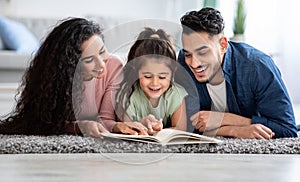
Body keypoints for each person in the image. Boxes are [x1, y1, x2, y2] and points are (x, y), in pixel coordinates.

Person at [0, 17, 147, 137]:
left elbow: (106, 118)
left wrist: (118, 126)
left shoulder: (114, 66)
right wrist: (79, 126)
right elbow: (42, 122)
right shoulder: (59, 79)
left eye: (102, 51)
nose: (101, 64)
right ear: (71, 65)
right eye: (89, 60)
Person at [177, 7, 298, 139]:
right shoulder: (183, 61)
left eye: (203, 52)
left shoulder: (257, 66)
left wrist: (225, 119)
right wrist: (234, 131)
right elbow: (186, 125)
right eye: (188, 54)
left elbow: (287, 129)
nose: (194, 63)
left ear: (223, 45)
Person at [115, 27, 188, 135]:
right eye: (148, 76)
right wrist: (142, 126)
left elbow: (180, 129)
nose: (154, 83)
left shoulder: (176, 94)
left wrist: (160, 131)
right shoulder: (127, 94)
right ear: (137, 71)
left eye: (162, 77)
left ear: (173, 71)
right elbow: (126, 128)